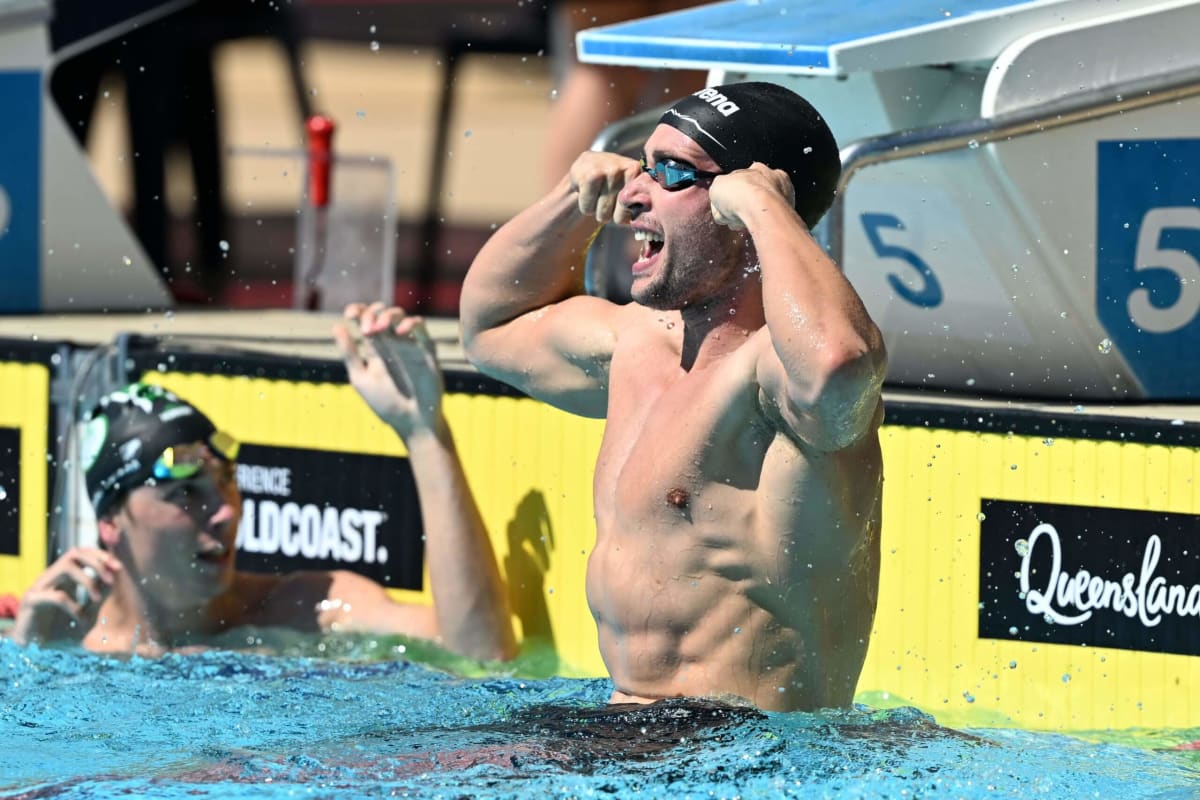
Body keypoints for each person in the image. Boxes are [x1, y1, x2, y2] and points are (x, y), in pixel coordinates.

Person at [460, 82, 887, 711]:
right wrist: (570, 201)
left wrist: (769, 210)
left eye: (671, 173)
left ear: (741, 204)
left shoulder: (771, 380)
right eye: (642, 165)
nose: (635, 195)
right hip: (627, 731)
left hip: (741, 751)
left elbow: (838, 367)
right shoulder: (636, 344)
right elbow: (490, 329)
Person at [10, 303, 516, 661]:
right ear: (110, 524)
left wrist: (425, 433)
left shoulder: (305, 609)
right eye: (184, 494)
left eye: (225, 481)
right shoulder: (61, 640)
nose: (227, 510)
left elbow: (480, 656)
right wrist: (36, 661)